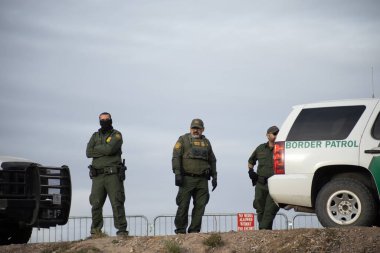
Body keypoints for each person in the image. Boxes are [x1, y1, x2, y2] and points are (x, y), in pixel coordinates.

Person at [86, 112, 128, 237]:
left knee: (117, 202)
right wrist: (104, 149)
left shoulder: (117, 135)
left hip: (113, 175)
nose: (104, 121)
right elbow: (88, 152)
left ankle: (121, 230)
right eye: (102, 119)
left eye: (106, 119)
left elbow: (110, 149)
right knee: (96, 203)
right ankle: (96, 231)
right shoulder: (95, 136)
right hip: (97, 176)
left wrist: (97, 148)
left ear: (111, 120)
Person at [172, 118, 217, 234]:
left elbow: (212, 160)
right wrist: (177, 174)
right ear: (190, 128)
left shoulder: (206, 143)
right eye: (193, 128)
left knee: (200, 206)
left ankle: (194, 231)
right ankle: (180, 230)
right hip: (187, 179)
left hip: (202, 180)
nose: (195, 130)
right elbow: (176, 157)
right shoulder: (183, 140)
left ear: (202, 129)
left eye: (198, 128)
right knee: (183, 205)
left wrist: (214, 177)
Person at [247, 125, 280, 230]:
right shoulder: (260, 148)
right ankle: (265, 233)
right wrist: (251, 172)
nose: (276, 136)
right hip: (261, 183)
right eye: (274, 134)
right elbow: (251, 161)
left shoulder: (281, 149)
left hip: (275, 184)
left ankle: (263, 230)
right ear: (267, 135)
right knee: (259, 208)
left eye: (278, 134)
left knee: (270, 209)